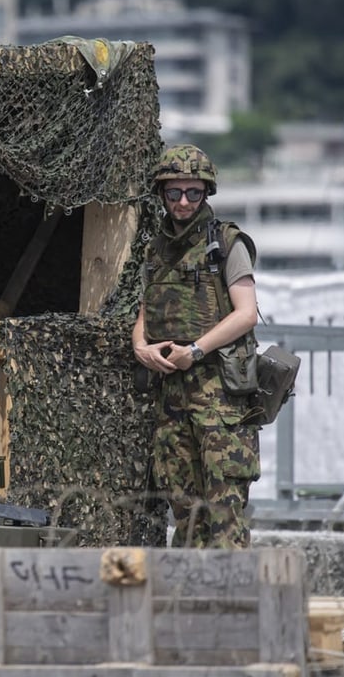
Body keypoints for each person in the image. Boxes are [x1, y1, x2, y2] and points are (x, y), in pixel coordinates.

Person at [131, 144, 260, 549]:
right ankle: (189, 608)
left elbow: (246, 313)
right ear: (162, 194)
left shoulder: (226, 242)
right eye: (174, 193)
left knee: (225, 517)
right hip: (172, 399)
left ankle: (234, 607)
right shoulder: (155, 250)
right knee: (185, 518)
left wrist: (197, 351)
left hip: (221, 402)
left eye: (193, 193)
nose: (183, 202)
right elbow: (145, 312)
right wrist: (141, 348)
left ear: (206, 194)